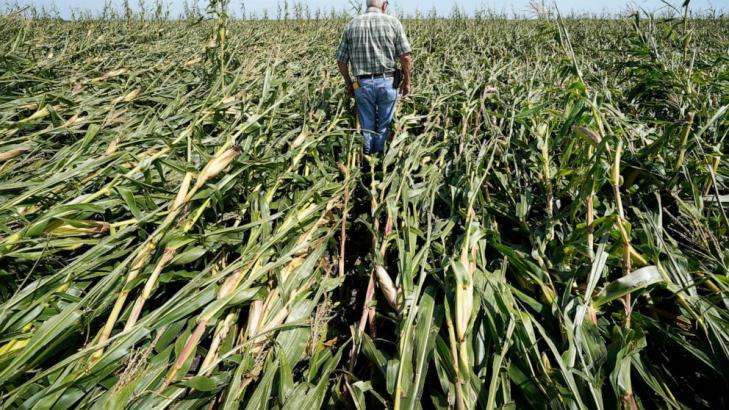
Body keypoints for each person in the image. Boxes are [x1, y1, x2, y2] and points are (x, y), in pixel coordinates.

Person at [335, 0, 412, 156]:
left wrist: (349, 83)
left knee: (367, 125)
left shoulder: (351, 25)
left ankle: (367, 162)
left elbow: (341, 60)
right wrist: (407, 82)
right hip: (388, 82)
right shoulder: (393, 22)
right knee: (385, 124)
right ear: (384, 5)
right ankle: (381, 162)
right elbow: (405, 57)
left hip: (361, 84)